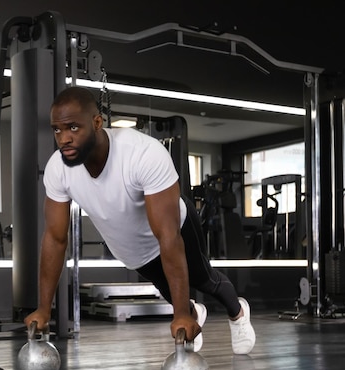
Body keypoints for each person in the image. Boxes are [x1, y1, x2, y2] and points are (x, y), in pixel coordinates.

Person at [24, 86, 256, 354]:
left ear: (97, 123)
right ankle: (193, 312)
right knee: (167, 289)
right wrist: (43, 308)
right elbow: (55, 237)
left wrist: (178, 315)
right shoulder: (58, 169)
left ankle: (238, 313)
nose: (63, 138)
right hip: (132, 250)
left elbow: (168, 237)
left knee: (204, 280)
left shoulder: (142, 153)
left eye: (73, 128)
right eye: (57, 130)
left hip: (174, 229)